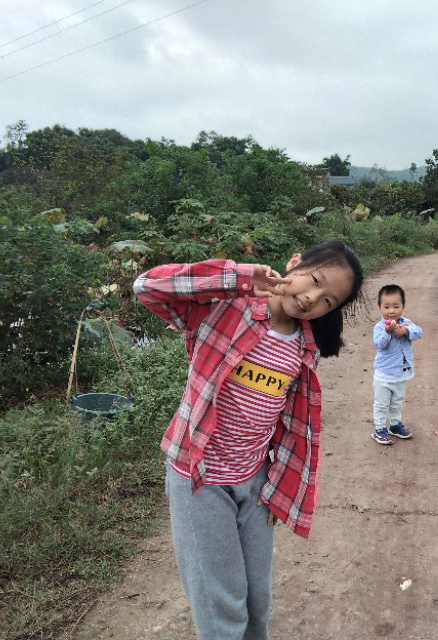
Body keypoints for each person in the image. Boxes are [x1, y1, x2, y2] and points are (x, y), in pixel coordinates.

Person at [133, 239, 363, 640]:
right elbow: (147, 287)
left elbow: (291, 427)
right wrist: (236, 277)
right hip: (200, 480)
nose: (312, 299)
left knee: (258, 601)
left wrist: (279, 487)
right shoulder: (226, 309)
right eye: (314, 281)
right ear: (294, 262)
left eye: (328, 301)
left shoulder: (305, 347)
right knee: (223, 605)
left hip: (255, 485)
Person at [371, 284, 424, 445]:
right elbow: (379, 344)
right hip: (384, 375)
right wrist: (388, 332)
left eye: (396, 306)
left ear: (403, 307)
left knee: (397, 402)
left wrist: (406, 331)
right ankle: (379, 429)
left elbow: (419, 331)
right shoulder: (380, 327)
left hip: (401, 373)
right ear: (380, 307)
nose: (391, 311)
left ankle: (395, 425)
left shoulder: (406, 323)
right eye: (386, 307)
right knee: (381, 403)